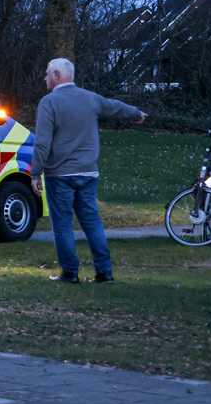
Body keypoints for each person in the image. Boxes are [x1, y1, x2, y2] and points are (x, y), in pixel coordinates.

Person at [32, 57, 146, 284]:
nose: (45, 77)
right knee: (92, 223)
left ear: (57, 76)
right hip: (88, 172)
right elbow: (115, 107)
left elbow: (42, 142)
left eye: (47, 73)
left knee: (62, 224)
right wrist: (136, 113)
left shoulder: (49, 102)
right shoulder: (90, 99)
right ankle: (104, 272)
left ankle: (70, 272)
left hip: (60, 174)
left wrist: (36, 172)